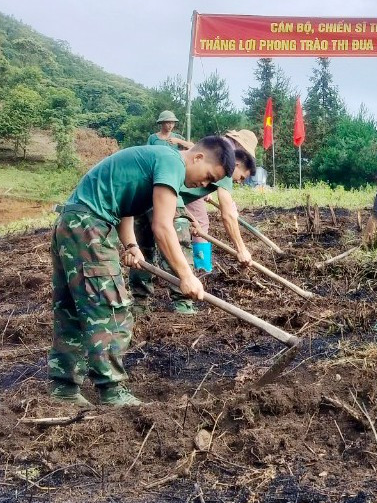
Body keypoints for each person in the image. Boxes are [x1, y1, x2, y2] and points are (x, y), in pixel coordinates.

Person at [48, 136, 236, 407]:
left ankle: (63, 389)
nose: (203, 185)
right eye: (207, 177)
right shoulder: (172, 162)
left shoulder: (155, 161)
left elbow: (125, 206)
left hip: (71, 222)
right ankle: (111, 391)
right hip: (89, 227)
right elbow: (162, 227)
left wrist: (131, 244)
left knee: (70, 309)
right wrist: (186, 275)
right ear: (197, 157)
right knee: (111, 309)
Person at [130, 129, 257, 313]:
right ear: (237, 162)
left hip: (146, 191)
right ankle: (183, 303)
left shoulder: (213, 148)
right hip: (164, 194)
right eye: (242, 177)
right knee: (179, 239)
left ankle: (139, 303)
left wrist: (190, 217)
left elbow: (179, 190)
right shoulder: (223, 162)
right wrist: (241, 249)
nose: (238, 181)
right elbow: (228, 213)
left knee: (143, 249)